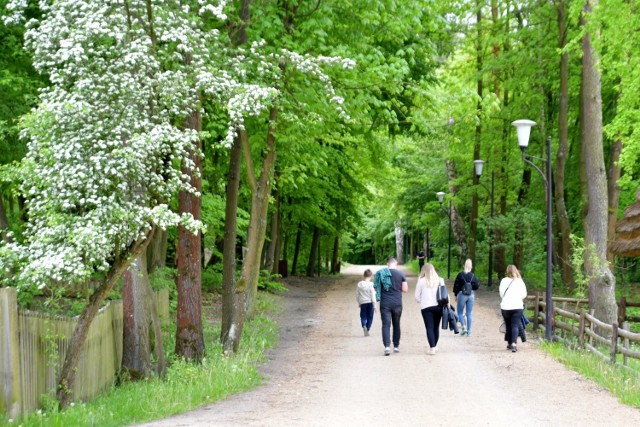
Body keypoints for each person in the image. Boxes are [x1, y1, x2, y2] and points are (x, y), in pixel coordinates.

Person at [374, 257, 408, 356]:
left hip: (385, 304)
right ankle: (396, 346)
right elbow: (405, 290)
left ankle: (387, 347)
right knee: (396, 324)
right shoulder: (401, 274)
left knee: (386, 325)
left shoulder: (381, 274)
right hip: (397, 303)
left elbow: (376, 287)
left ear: (387, 263)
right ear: (395, 264)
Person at [415, 263, 444, 355]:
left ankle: (432, 348)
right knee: (436, 327)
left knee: (429, 328)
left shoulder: (421, 281)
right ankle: (434, 346)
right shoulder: (440, 280)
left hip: (426, 308)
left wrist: (422, 301)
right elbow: (444, 294)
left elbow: (416, 296)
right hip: (438, 306)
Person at [499, 264, 528, 353]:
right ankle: (514, 344)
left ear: (507, 271)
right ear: (516, 271)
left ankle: (509, 343)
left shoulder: (503, 281)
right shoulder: (520, 282)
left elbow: (501, 294)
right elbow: (524, 294)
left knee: (508, 325)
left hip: (505, 307)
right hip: (517, 306)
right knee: (515, 325)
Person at [453, 259, 480, 336]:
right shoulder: (473, 275)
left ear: (464, 265)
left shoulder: (460, 275)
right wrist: (472, 288)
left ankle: (464, 327)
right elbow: (477, 286)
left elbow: (456, 286)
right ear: (471, 266)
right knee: (469, 313)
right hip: (471, 295)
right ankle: (469, 331)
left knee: (460, 312)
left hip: (462, 294)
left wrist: (455, 295)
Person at [356, 269, 376, 336]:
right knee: (370, 317)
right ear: (371, 276)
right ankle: (367, 329)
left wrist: (359, 302)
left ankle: (364, 325)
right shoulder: (372, 284)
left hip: (363, 303)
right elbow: (373, 295)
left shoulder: (359, 284)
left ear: (364, 276)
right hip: (370, 303)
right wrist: (375, 305)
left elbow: (357, 295)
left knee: (363, 316)